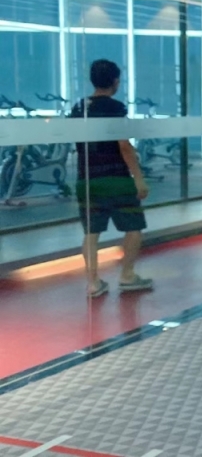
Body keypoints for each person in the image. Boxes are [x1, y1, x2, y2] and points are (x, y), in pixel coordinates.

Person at [70, 59, 153, 298]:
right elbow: (124, 146)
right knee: (134, 227)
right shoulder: (115, 108)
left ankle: (93, 283)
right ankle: (127, 275)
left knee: (91, 233)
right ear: (115, 81)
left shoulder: (79, 107)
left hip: (87, 179)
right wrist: (138, 178)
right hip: (116, 179)